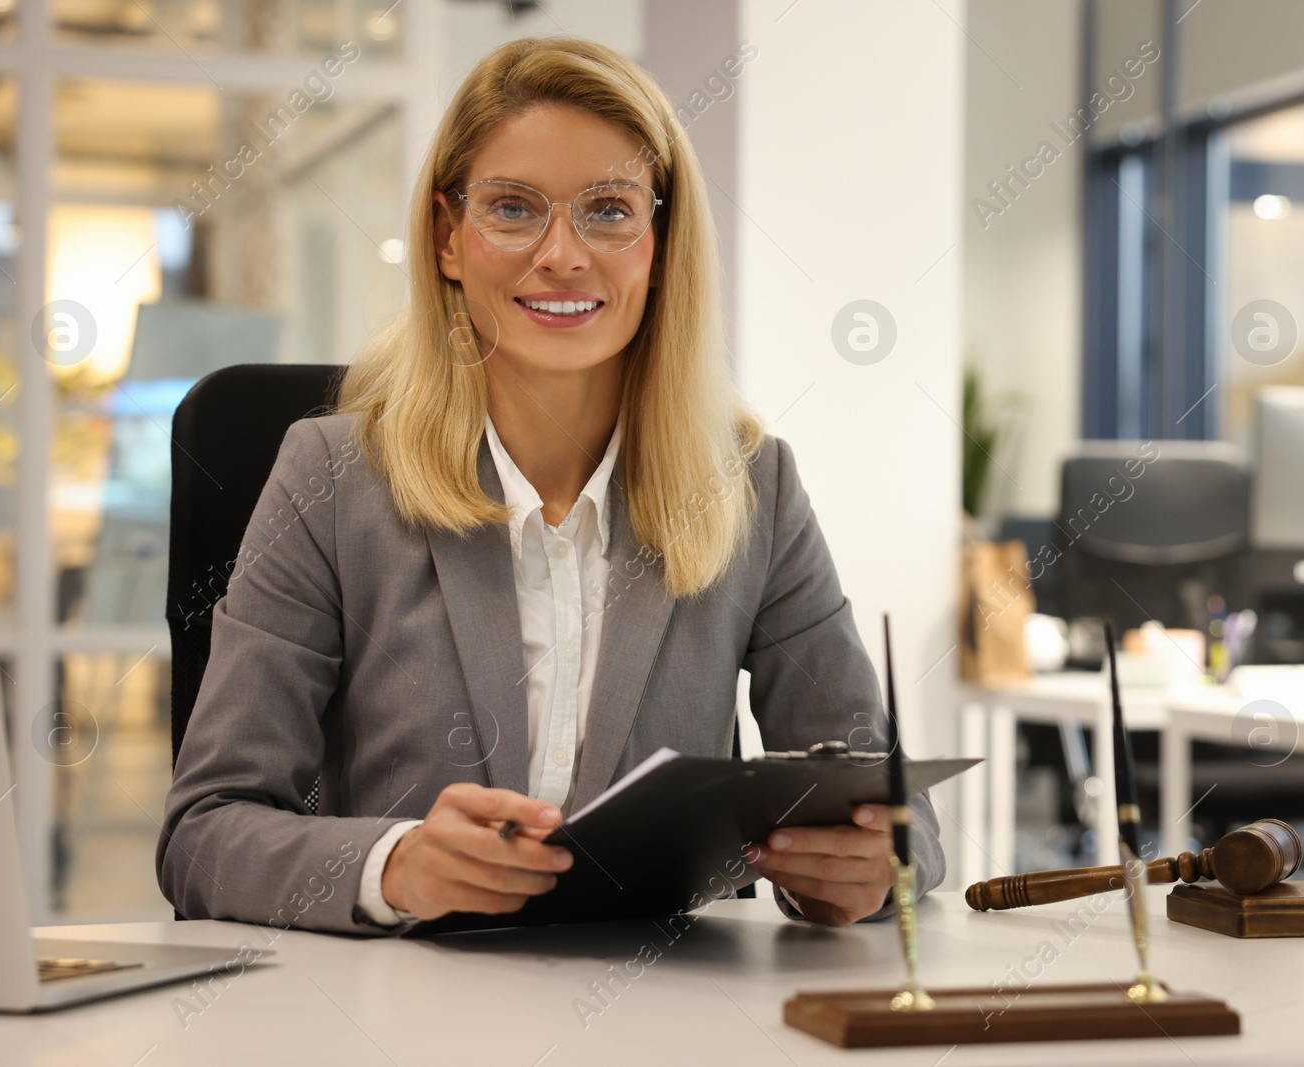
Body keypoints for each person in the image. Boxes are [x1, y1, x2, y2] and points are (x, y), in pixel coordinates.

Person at [158, 36, 942, 935]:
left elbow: (896, 819)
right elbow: (204, 833)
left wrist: (867, 870)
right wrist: (396, 865)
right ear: (448, 238)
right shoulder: (333, 481)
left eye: (609, 209)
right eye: (513, 209)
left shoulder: (751, 485)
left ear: (660, 241)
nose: (562, 255)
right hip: (404, 1014)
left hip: (670, 1015)